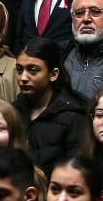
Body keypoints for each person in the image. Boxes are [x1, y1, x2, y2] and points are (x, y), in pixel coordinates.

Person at [14, 35, 88, 173]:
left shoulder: (73, 116)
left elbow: (76, 169)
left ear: (53, 74)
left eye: (33, 70)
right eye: (19, 70)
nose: (23, 78)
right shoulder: (13, 112)